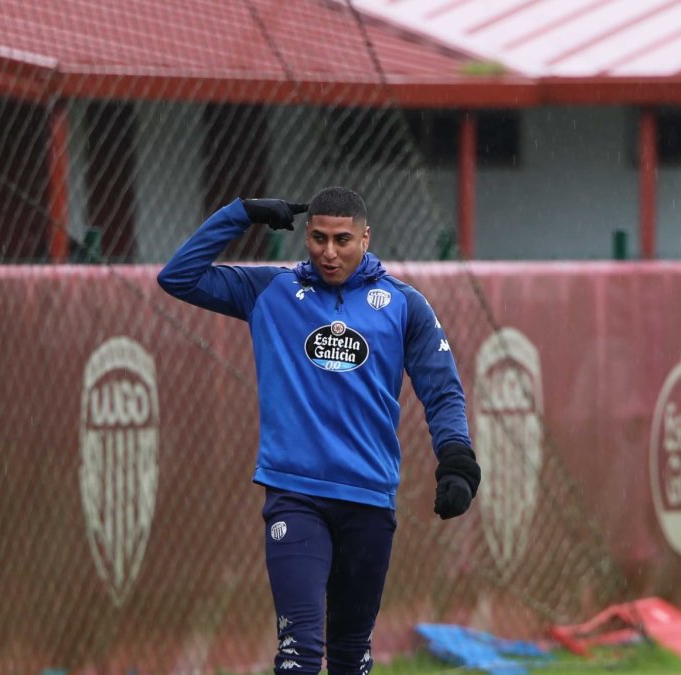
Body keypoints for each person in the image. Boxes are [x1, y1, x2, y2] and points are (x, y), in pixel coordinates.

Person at [157, 187, 480, 674]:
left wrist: (456, 459)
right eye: (319, 239)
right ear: (306, 236)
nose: (329, 252)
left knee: (350, 655)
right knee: (299, 652)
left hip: (368, 499)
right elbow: (177, 277)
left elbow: (443, 391)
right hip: (295, 497)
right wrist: (240, 215)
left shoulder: (403, 305)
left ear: (366, 238)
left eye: (343, 240)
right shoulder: (270, 291)